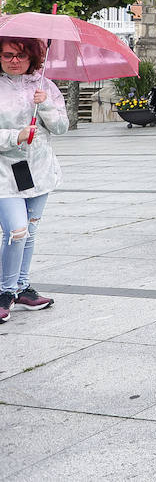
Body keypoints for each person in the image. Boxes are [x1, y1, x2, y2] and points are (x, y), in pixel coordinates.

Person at [0, 37, 67, 322]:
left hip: (39, 171)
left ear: (33, 57)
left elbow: (61, 127)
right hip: (4, 171)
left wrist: (47, 105)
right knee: (17, 231)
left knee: (30, 231)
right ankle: (5, 291)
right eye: (7, 55)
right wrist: (13, 136)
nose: (14, 61)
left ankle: (22, 287)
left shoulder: (44, 85)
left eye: (21, 56)